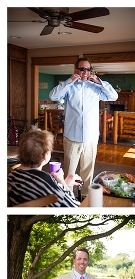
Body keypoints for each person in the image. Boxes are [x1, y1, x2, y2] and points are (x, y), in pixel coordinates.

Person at [49, 56, 118, 188]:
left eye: (88, 69)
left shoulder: (96, 87)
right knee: (69, 173)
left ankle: (85, 196)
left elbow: (114, 96)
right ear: (76, 70)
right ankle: (67, 195)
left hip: (91, 137)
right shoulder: (69, 87)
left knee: (87, 172)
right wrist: (70, 80)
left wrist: (98, 81)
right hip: (71, 137)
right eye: (82, 69)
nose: (85, 72)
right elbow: (53, 96)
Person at [8, 130, 82, 207]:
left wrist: (62, 184)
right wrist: (62, 181)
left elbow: (37, 189)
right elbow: (76, 206)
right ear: (45, 156)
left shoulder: (11, 175)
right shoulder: (45, 181)